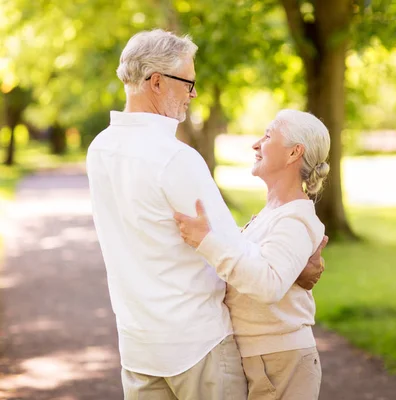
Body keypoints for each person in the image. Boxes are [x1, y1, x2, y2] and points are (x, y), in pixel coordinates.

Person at [86, 29, 325, 400]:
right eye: (188, 82)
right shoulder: (175, 158)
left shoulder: (100, 149)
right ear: (157, 82)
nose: (193, 93)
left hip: (137, 347)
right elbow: (233, 253)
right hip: (197, 345)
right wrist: (294, 273)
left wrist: (290, 266)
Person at [174, 109, 330, 400]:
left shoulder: (295, 219)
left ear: (294, 152)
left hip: (279, 360)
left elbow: (267, 285)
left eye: (268, 136)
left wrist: (206, 241)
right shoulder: (272, 215)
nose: (256, 144)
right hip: (262, 357)